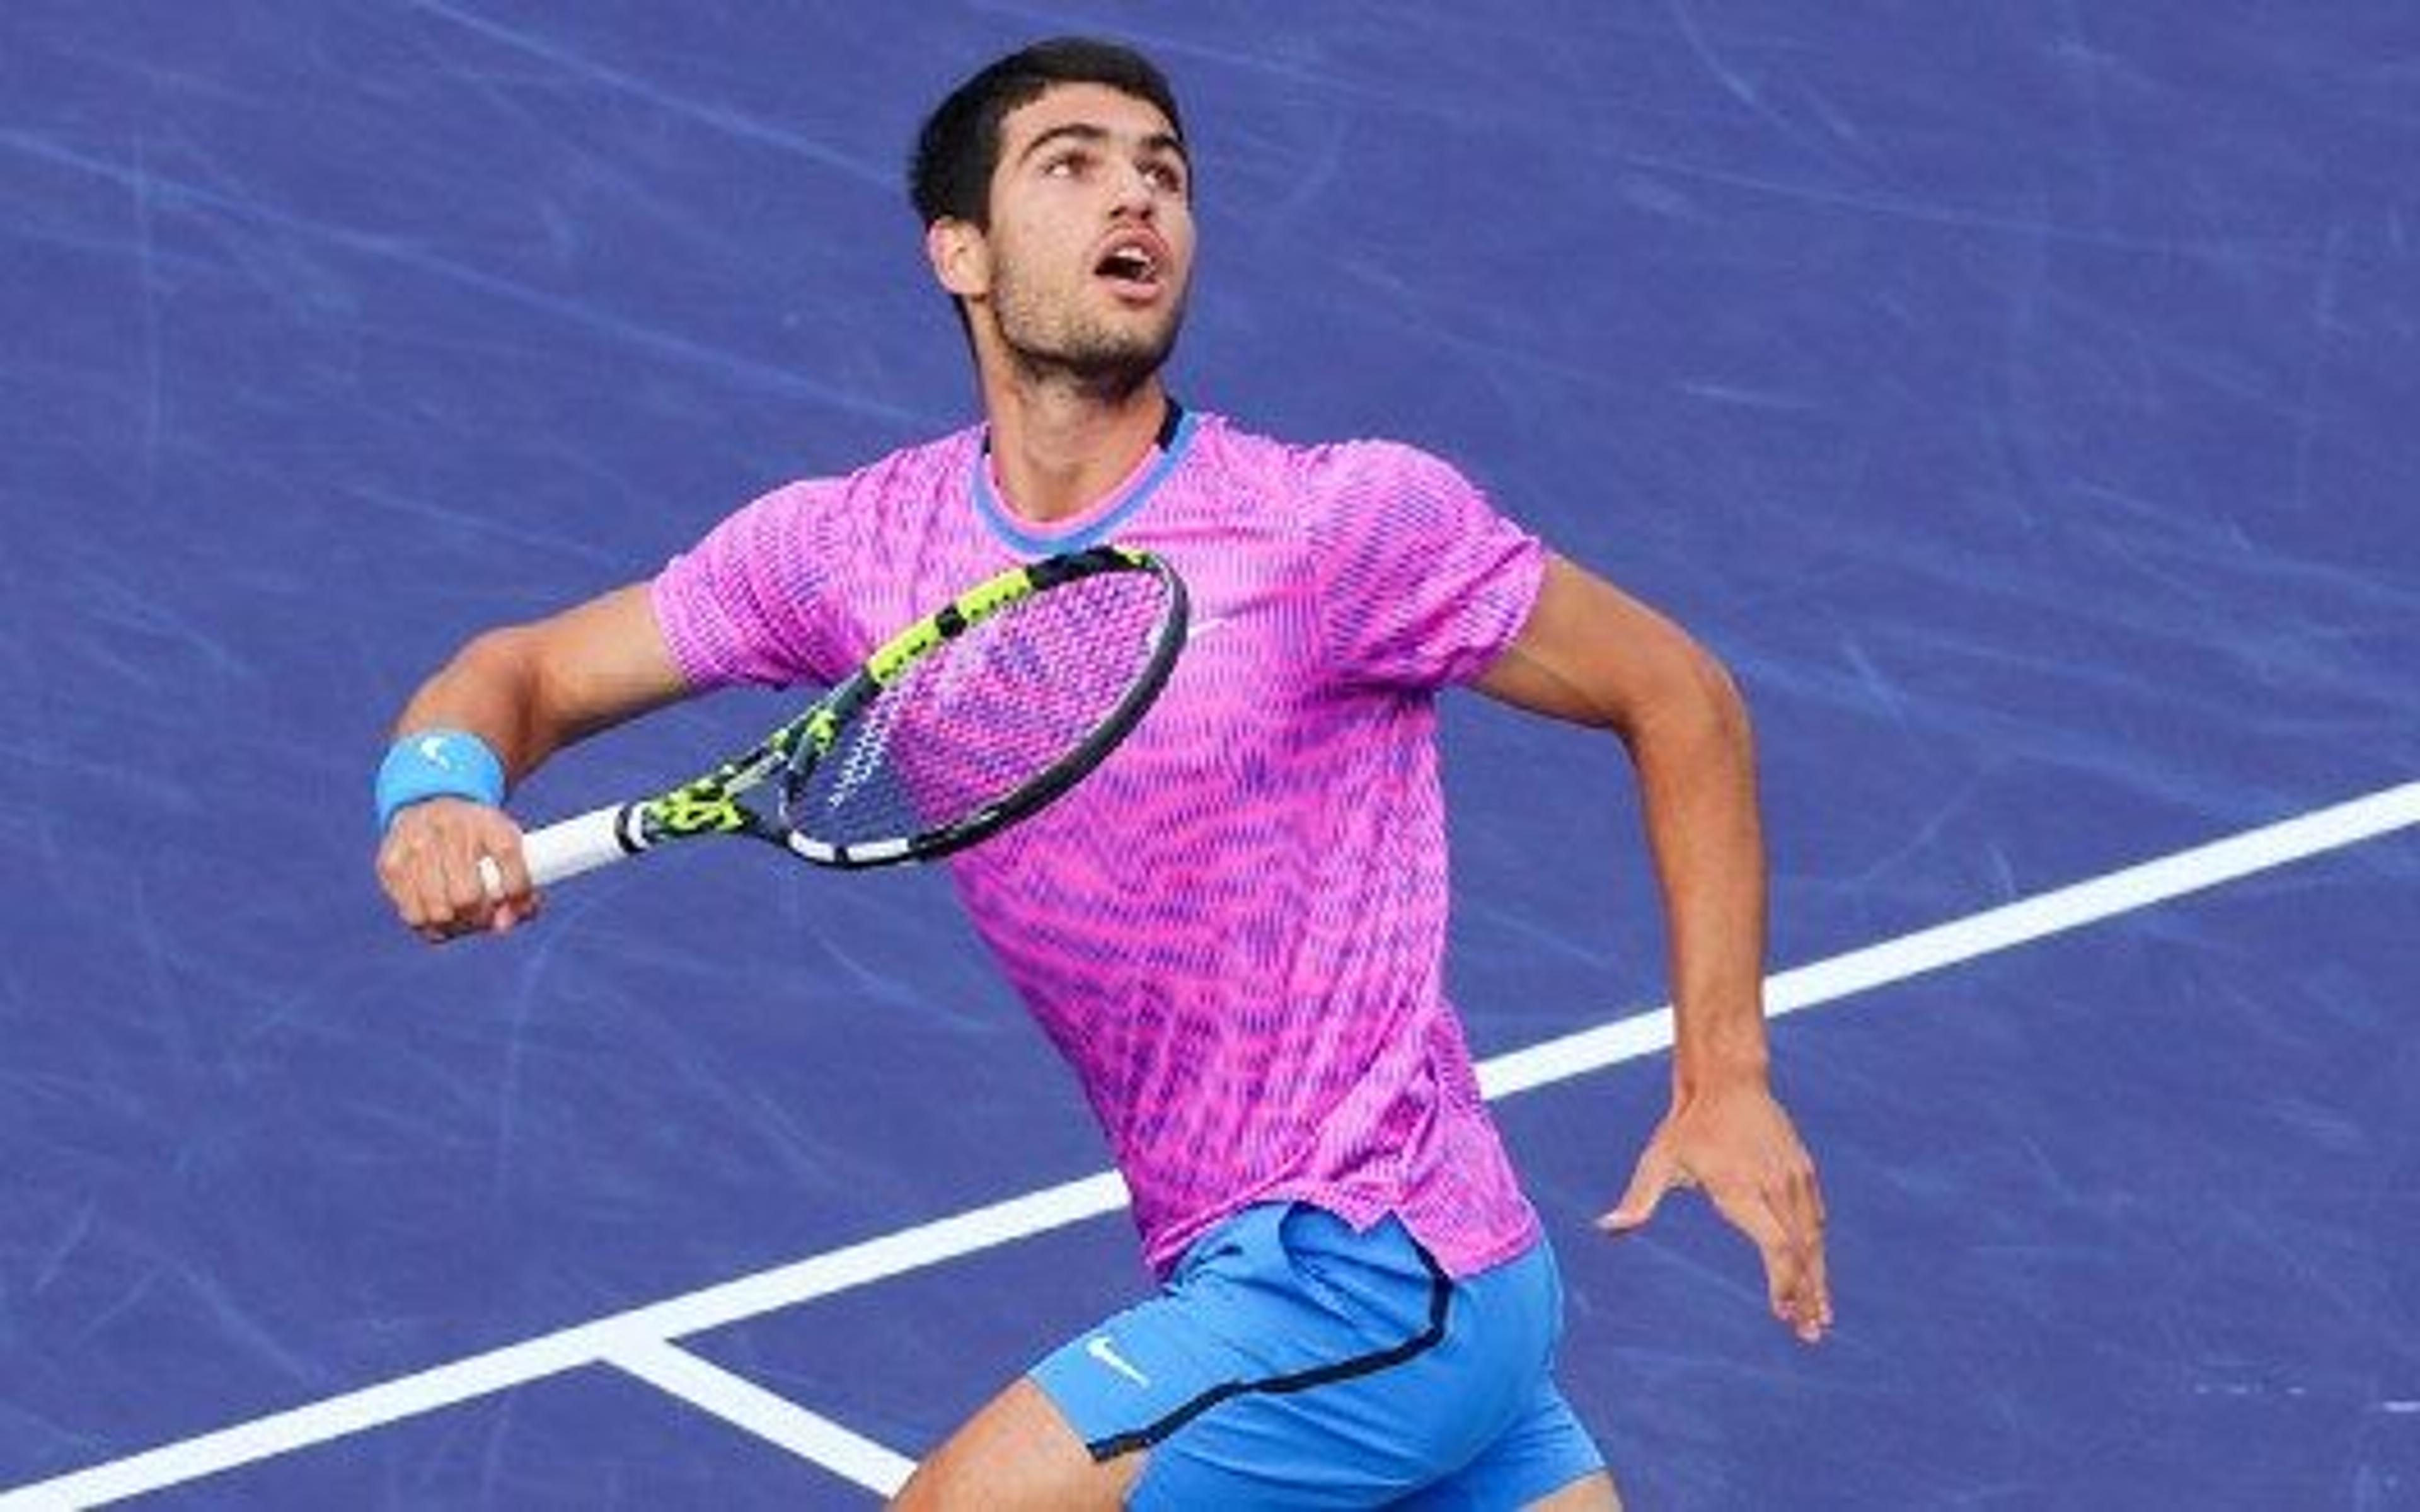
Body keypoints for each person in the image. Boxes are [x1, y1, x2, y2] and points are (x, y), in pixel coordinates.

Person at [372, 36, 1829, 1509]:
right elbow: (531, 674)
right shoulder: (852, 552)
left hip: (1372, 1272)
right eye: (1070, 165)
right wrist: (436, 785)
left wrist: (1728, 1076)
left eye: (1164, 174)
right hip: (1330, 1283)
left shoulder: (1336, 529)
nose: (1135, 199)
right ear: (961, 250)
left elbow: (1679, 695)